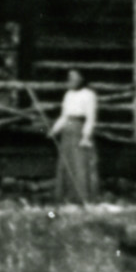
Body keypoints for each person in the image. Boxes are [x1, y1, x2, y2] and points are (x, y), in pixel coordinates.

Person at [50, 69, 98, 204]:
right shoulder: (68, 95)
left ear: (82, 79)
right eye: (69, 77)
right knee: (67, 163)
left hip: (80, 131)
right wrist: (55, 130)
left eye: (75, 77)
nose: (71, 80)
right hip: (67, 132)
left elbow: (91, 118)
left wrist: (86, 136)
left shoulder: (89, 95)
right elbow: (64, 116)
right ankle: (67, 198)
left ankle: (83, 198)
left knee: (80, 165)